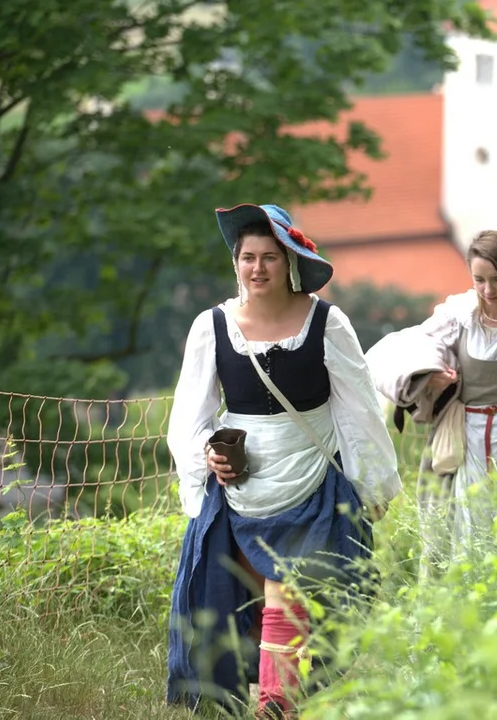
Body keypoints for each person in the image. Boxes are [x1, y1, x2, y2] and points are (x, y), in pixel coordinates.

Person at [165, 204, 401, 718]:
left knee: (286, 594)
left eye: (269, 257)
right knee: (239, 603)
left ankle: (276, 705)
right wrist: (207, 456)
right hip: (240, 487)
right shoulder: (212, 327)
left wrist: (371, 485)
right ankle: (258, 696)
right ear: (236, 264)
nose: (258, 268)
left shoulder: (326, 321)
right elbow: (191, 415)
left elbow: (358, 408)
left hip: (311, 479)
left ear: (289, 260)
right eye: (248, 257)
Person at [367, 230, 497, 565]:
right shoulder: (459, 313)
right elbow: (410, 347)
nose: (488, 290)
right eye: (479, 280)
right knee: (468, 533)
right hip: (467, 439)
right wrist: (430, 372)